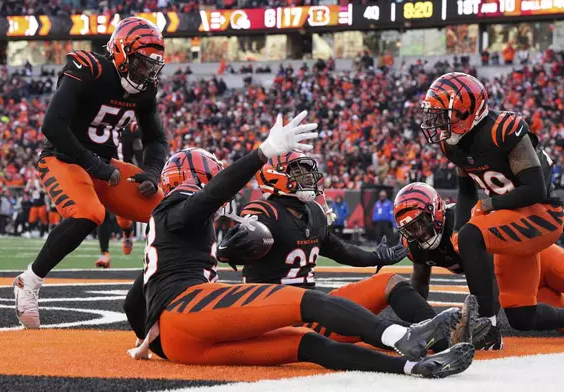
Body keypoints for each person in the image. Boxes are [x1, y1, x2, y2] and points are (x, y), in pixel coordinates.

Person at [123, 112, 475, 379]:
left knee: (308, 345)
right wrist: (262, 153)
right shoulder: (180, 207)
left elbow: (134, 299)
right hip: (190, 311)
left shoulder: (174, 226)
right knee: (305, 301)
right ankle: (401, 335)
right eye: (212, 177)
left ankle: (411, 367)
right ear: (195, 180)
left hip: (183, 340)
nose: (218, 187)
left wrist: (149, 341)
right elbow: (211, 197)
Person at [419, 72, 564, 343]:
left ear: (468, 111)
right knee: (521, 316)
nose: (438, 123)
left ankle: (487, 326)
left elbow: (535, 189)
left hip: (542, 215)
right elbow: (465, 189)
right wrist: (458, 228)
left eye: (443, 114)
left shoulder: (503, 130)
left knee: (473, 234)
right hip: (510, 221)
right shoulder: (452, 145)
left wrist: (487, 205)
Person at [217, 153, 489, 349]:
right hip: (276, 316)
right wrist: (236, 242)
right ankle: (409, 339)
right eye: (298, 172)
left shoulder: (313, 212)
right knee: (361, 327)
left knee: (391, 282)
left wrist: (375, 257)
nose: (309, 177)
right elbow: (241, 234)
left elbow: (340, 250)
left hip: (315, 310)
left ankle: (443, 333)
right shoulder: (264, 211)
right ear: (276, 177)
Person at [13, 17, 169, 329]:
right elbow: (52, 125)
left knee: (167, 211)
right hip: (65, 159)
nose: (146, 73)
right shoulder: (89, 70)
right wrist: (96, 165)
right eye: (141, 63)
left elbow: (156, 138)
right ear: (122, 53)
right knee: (89, 213)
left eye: (152, 66)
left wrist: (152, 172)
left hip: (104, 167)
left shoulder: (145, 90)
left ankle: (159, 289)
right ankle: (29, 281)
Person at [394, 182, 564, 348]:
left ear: (436, 211)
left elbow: (490, 271)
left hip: (536, 257)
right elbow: (420, 282)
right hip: (516, 280)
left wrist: (484, 321)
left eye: (421, 223)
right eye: (410, 228)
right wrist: (422, 321)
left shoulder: (462, 221)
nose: (419, 233)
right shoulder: (415, 246)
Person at [96, 121, 144, 268]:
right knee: (100, 212)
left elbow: (140, 155)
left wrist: (143, 174)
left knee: (123, 215)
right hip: (103, 171)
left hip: (126, 174)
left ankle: (127, 231)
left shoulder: (132, 127)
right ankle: (105, 253)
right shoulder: (97, 122)